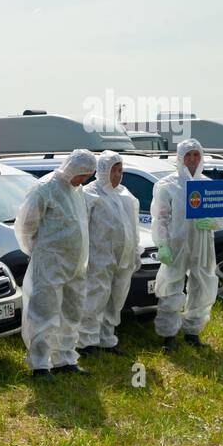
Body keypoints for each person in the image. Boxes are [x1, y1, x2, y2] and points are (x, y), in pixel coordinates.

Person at [15, 148, 95, 376]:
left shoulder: (77, 190)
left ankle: (65, 359)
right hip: (49, 263)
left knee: (72, 311)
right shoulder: (45, 188)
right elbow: (26, 225)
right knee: (44, 313)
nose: (84, 180)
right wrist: (39, 252)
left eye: (88, 176)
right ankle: (40, 364)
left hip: (76, 264)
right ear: (72, 168)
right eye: (83, 174)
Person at [152, 138, 223, 349]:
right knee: (171, 286)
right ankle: (169, 335)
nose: (192, 159)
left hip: (202, 244)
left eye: (196, 155)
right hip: (176, 244)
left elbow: (219, 219)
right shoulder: (167, 185)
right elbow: (161, 218)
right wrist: (162, 244)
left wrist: (211, 222)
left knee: (203, 286)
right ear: (180, 158)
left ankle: (193, 331)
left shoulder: (209, 185)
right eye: (188, 155)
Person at [78, 150, 141, 354]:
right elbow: (82, 227)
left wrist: (136, 252)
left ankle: (107, 339)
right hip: (98, 258)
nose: (117, 175)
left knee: (116, 300)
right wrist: (82, 257)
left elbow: (133, 226)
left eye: (120, 170)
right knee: (95, 299)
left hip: (123, 257)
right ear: (103, 170)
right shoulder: (89, 194)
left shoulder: (125, 194)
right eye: (113, 170)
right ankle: (87, 342)